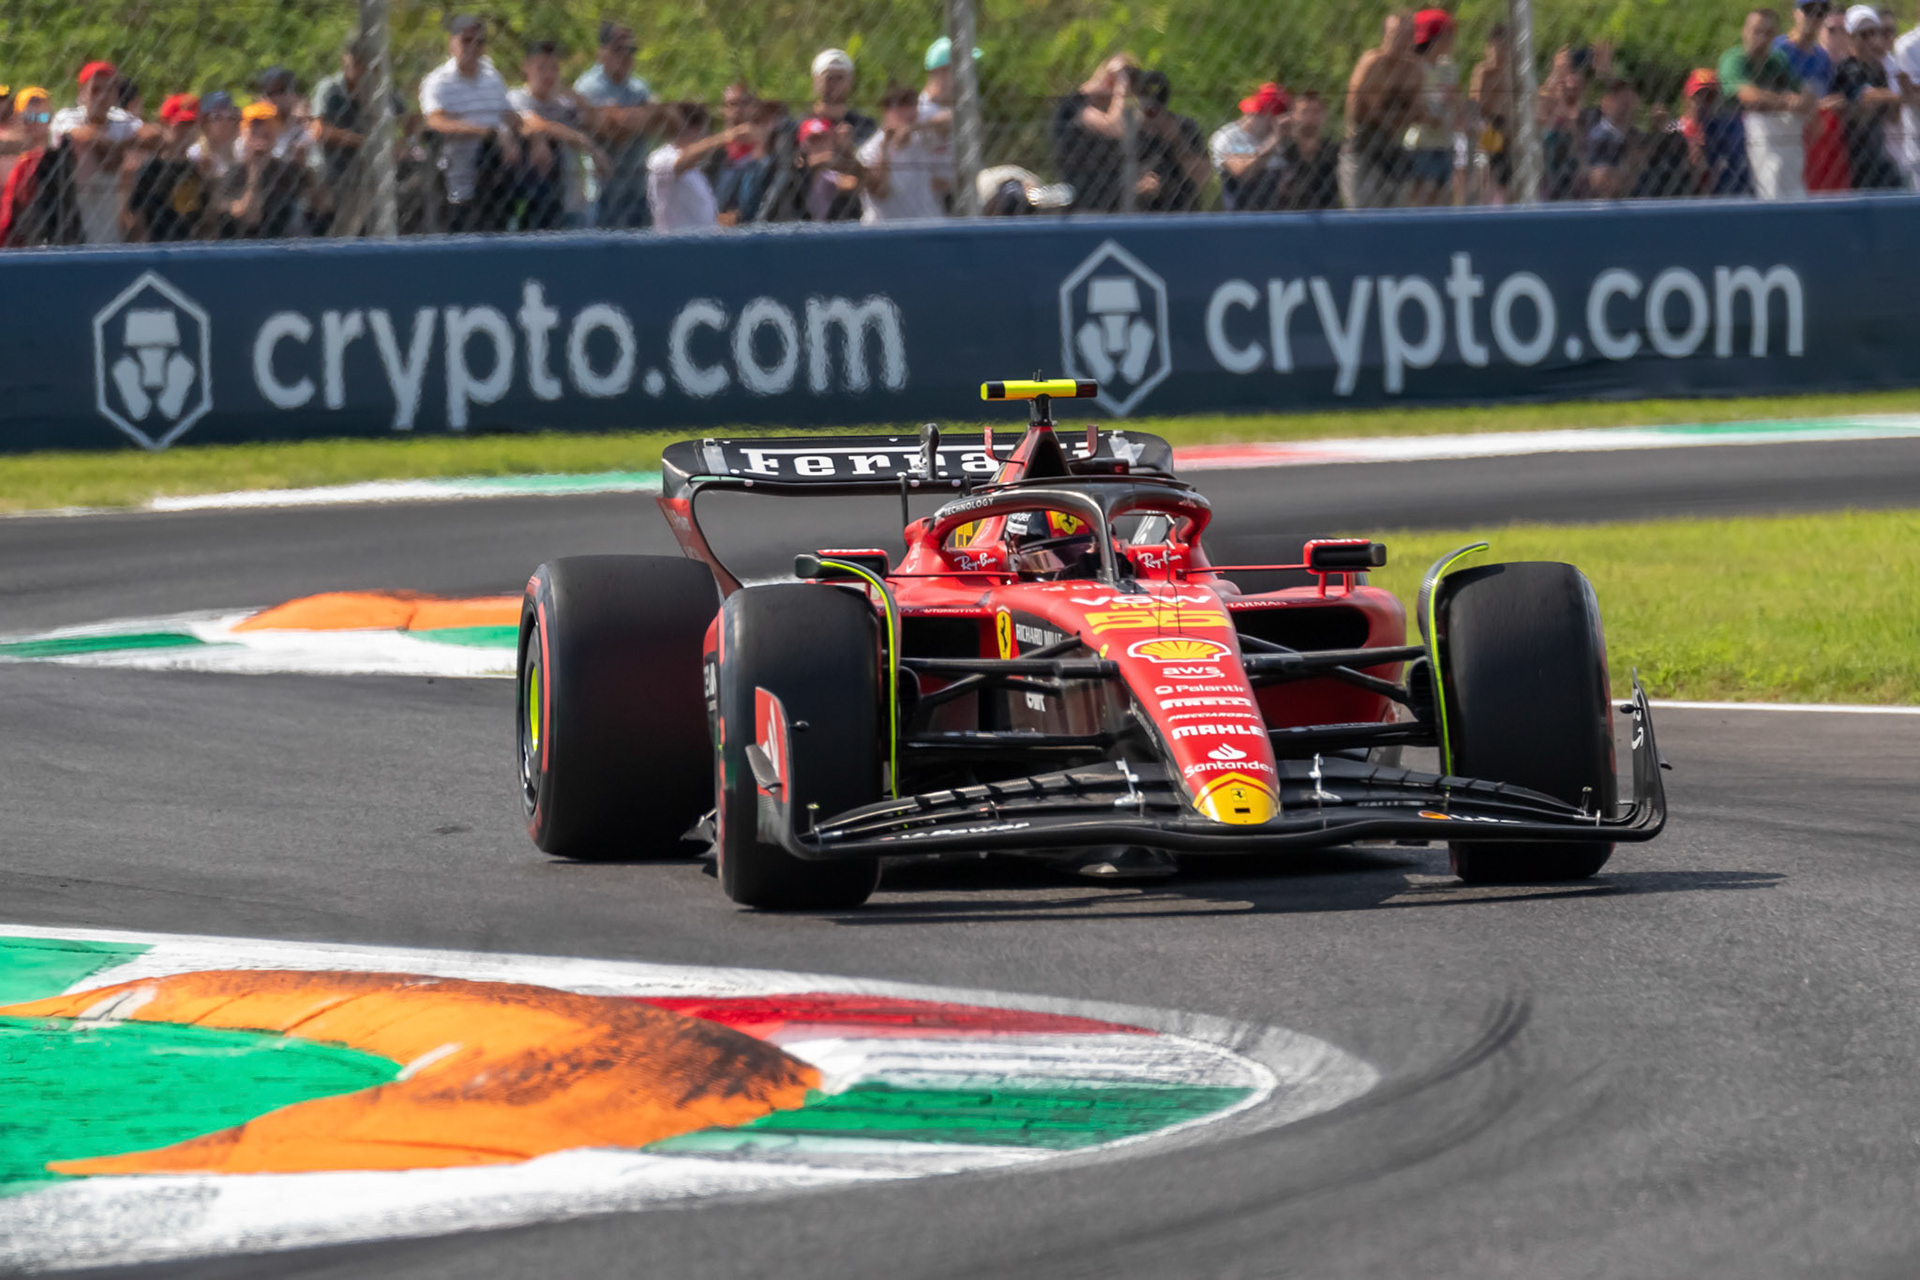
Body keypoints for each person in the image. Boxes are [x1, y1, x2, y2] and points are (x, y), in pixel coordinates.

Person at [419, 14, 522, 232]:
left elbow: (509, 116)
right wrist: (487, 132)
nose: (473, 47)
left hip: (495, 180)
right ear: (452, 44)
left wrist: (506, 132)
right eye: (466, 40)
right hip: (454, 183)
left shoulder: (492, 77)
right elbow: (435, 122)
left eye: (480, 41)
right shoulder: (439, 81)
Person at [510, 39, 610, 230]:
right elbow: (536, 124)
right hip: (534, 198)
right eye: (541, 68)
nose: (549, 74)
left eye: (554, 68)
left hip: (572, 201)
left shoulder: (565, 102)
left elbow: (596, 123)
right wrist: (587, 144)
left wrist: (573, 95)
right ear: (526, 67)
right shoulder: (517, 97)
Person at [1722, 8, 1816, 198]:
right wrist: (1785, 101)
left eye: (1768, 33)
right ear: (1745, 31)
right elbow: (1747, 95)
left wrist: (1799, 101)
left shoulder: (1777, 61)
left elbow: (1807, 96)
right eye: (1756, 31)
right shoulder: (1734, 59)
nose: (1761, 38)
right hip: (1734, 143)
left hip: (1777, 143)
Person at [574, 21, 658, 228]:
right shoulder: (588, 86)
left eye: (631, 50)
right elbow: (609, 129)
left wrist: (619, 116)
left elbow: (656, 119)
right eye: (618, 49)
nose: (626, 56)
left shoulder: (639, 86)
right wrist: (633, 117)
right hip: (603, 188)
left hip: (637, 185)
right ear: (601, 52)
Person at [49, 61, 141, 245]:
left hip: (112, 213)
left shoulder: (120, 118)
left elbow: (155, 136)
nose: (103, 96)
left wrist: (112, 150)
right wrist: (120, 148)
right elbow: (82, 137)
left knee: (134, 164)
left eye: (110, 90)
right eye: (96, 90)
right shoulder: (67, 116)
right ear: (82, 92)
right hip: (75, 211)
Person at [210, 101, 329, 238]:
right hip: (244, 245)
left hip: (285, 243)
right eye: (255, 125)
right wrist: (254, 169)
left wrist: (305, 166)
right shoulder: (233, 173)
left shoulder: (287, 169)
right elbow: (251, 217)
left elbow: (323, 206)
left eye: (268, 124)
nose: (262, 130)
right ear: (244, 132)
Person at [1342, 14, 1423, 207]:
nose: (1402, 40)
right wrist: (1399, 116)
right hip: (1362, 148)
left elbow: (1419, 112)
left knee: (1397, 217)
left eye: (1407, 34)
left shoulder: (1414, 70)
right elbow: (1362, 113)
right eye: (1396, 34)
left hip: (1392, 150)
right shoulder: (1372, 64)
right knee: (1362, 217)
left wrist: (1393, 117)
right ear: (1385, 36)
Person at [1835, 5, 1910, 185]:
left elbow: (1891, 116)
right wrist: (1902, 96)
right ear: (1851, 37)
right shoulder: (1847, 67)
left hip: (1879, 152)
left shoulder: (1878, 69)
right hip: (1853, 155)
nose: (1870, 40)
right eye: (1863, 35)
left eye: (1874, 33)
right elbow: (1865, 96)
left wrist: (1902, 93)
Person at [1052, 54, 1136, 212]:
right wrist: (1121, 88)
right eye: (1111, 75)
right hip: (1082, 204)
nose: (1113, 81)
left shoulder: (1115, 112)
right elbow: (1111, 128)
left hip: (1112, 204)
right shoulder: (1074, 104)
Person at [646, 103, 742, 231]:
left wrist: (719, 221)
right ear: (695, 129)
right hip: (673, 245)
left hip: (701, 244)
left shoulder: (696, 173)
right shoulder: (661, 156)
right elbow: (679, 164)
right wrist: (727, 136)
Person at [125, 93, 208, 241]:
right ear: (164, 123)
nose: (186, 131)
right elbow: (136, 219)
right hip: (159, 246)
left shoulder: (197, 169)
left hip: (193, 246)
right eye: (180, 124)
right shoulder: (150, 169)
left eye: (191, 123)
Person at [856, 84, 945, 222]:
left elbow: (954, 119)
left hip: (926, 223)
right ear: (888, 112)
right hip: (885, 229)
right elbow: (881, 192)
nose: (912, 113)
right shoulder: (869, 149)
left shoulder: (921, 137)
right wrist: (885, 148)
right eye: (903, 107)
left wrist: (915, 127)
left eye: (913, 106)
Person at [0, 87, 76, 246]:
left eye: (41, 117)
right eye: (28, 116)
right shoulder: (6, 159)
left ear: (49, 120)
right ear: (16, 118)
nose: (34, 122)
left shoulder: (56, 162)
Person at [1405, 8, 1461, 205]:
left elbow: (1454, 99)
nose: (1452, 41)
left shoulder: (1448, 67)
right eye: (1448, 36)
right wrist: (1428, 117)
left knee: (1443, 196)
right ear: (1434, 38)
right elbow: (1413, 103)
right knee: (1422, 195)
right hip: (1421, 141)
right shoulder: (1415, 67)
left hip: (1444, 140)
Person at [1131, 70, 1208, 211]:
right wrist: (1137, 187)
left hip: (1182, 209)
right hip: (1137, 214)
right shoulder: (1124, 130)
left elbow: (1201, 178)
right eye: (1144, 94)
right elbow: (1109, 183)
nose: (1150, 106)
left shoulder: (1185, 126)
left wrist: (1176, 139)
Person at [1209, 81, 1290, 211]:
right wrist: (1273, 141)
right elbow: (1243, 173)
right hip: (1240, 217)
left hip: (1278, 216)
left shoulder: (1285, 140)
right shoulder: (1227, 137)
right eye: (1258, 114)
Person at [1680, 69, 1756, 193]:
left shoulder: (1724, 128)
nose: (1702, 102)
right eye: (1698, 96)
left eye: (1709, 97)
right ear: (1688, 97)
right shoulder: (1676, 128)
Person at [710, 83, 775, 225]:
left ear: (755, 108)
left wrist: (762, 146)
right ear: (723, 109)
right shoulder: (715, 153)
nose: (738, 109)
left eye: (744, 103)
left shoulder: (771, 146)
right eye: (732, 104)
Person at [1805, 9, 1856, 188]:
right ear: (1820, 31)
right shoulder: (1809, 61)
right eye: (1832, 30)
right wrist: (1823, 105)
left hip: (1842, 153)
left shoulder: (1854, 67)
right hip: (1810, 147)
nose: (1839, 36)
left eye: (1844, 30)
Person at [1469, 24, 1515, 201]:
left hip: (1507, 126)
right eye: (1496, 48)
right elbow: (1477, 102)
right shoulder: (1483, 72)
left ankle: (1503, 197)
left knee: (1506, 173)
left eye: (1504, 48)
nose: (1500, 54)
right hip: (1487, 123)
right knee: (1487, 166)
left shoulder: (1511, 73)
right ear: (1488, 49)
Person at [1281, 90, 1341, 208]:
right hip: (1288, 216)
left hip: (1329, 215)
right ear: (1293, 115)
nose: (1310, 117)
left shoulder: (1334, 151)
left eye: (1316, 112)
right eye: (1305, 112)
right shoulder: (1283, 149)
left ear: (1324, 116)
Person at [1585, 77, 1644, 198]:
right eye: (1616, 95)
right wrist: (1629, 165)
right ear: (1604, 103)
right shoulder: (1599, 137)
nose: (1624, 100)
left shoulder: (1637, 136)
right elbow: (1601, 183)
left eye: (1628, 95)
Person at [189, 90, 240, 182]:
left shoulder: (241, 150)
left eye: (231, 117)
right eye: (217, 117)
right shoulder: (195, 154)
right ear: (204, 123)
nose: (225, 123)